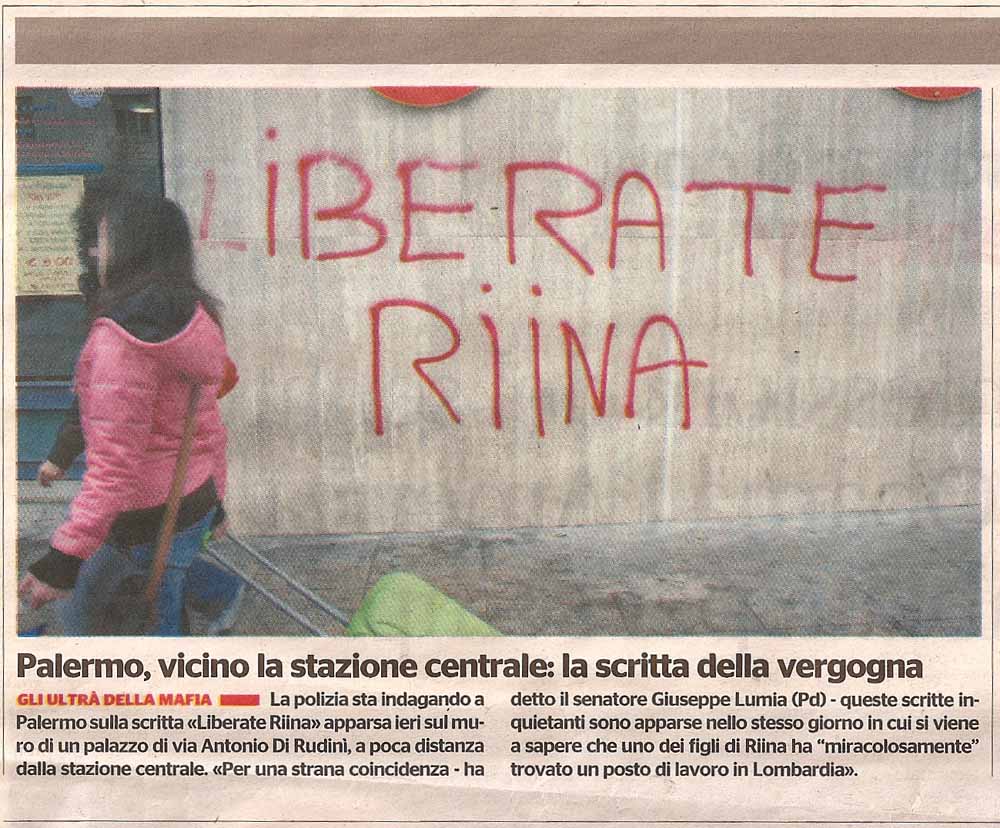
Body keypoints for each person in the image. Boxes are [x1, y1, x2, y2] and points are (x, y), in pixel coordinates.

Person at [19, 188, 243, 635]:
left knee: (109, 607)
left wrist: (62, 561)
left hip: (146, 511)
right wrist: (214, 500)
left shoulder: (122, 339)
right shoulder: (193, 316)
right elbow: (205, 426)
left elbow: (113, 469)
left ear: (133, 251)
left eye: (102, 240)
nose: (92, 251)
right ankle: (219, 598)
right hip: (189, 495)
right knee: (167, 573)